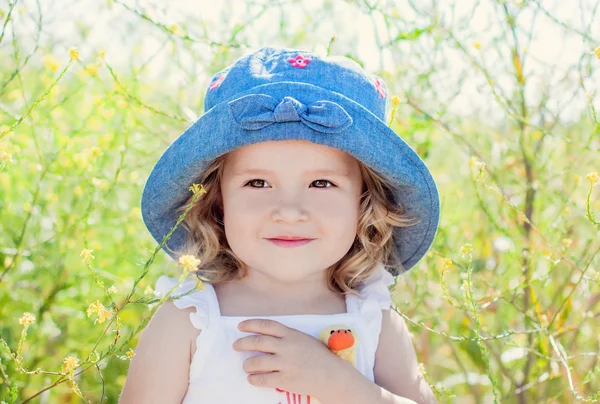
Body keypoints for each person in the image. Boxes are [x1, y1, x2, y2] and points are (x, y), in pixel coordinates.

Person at [119, 46, 440, 404]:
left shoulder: (371, 318)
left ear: (364, 205)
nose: (289, 212)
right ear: (217, 202)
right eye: (257, 183)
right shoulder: (190, 321)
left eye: (322, 184)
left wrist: (342, 386)